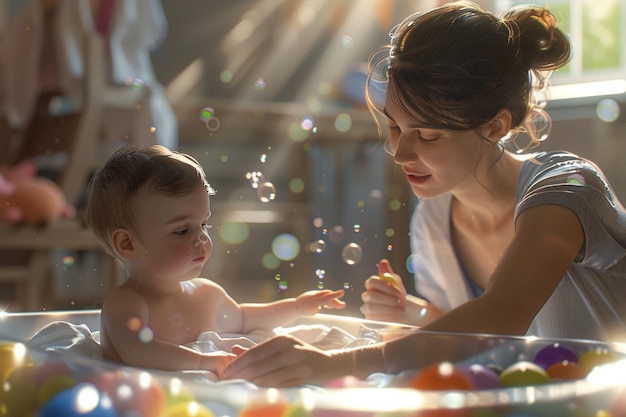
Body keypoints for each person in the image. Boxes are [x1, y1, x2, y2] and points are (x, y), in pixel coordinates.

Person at [222, 1, 626, 387]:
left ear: (495, 126)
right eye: (395, 126)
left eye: (428, 135)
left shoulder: (565, 189)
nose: (399, 152)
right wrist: (412, 312)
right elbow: (465, 332)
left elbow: (504, 315)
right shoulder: (434, 215)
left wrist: (343, 363)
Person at [84, 144, 346, 375]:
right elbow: (139, 351)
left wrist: (296, 307)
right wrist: (202, 361)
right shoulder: (126, 304)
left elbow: (244, 318)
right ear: (128, 244)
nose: (201, 240)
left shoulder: (206, 295)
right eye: (182, 231)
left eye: (204, 224)